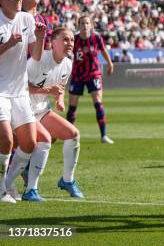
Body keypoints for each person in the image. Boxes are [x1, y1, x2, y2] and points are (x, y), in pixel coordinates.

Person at [22, 27, 84, 200]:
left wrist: (59, 100)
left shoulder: (68, 64)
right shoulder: (38, 59)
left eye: (72, 40)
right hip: (22, 110)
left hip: (41, 110)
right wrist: (48, 90)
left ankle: (67, 180)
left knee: (73, 134)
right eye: (65, 39)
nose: (70, 43)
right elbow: (21, 87)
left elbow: (60, 88)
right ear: (53, 43)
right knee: (40, 142)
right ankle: (30, 189)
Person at [0, 0, 46, 203]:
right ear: (2, 0)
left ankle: (7, 184)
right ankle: (0, 190)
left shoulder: (27, 19)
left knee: (29, 143)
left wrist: (41, 37)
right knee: (7, 140)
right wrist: (7, 44)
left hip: (19, 92)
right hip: (0, 91)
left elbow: (35, 56)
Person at [68, 15, 114, 144]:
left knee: (98, 103)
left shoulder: (96, 38)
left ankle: (103, 135)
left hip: (94, 74)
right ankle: (69, 137)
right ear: (78, 26)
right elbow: (66, 53)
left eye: (87, 23)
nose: (85, 26)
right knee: (72, 107)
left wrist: (110, 63)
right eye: (82, 23)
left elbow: (103, 51)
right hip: (77, 74)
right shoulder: (74, 40)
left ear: (91, 25)